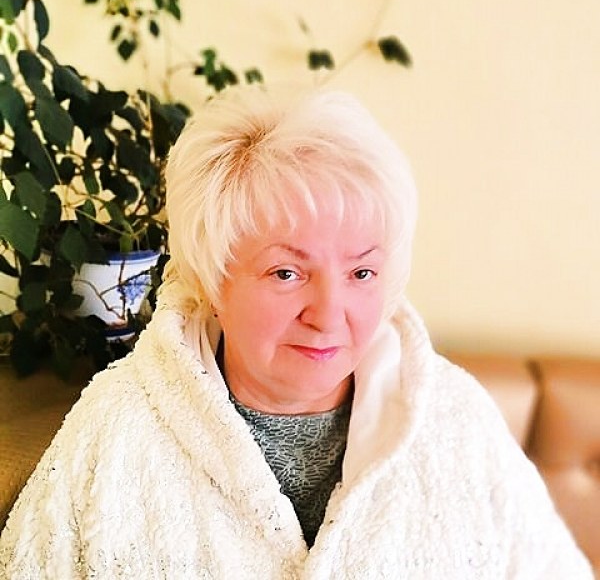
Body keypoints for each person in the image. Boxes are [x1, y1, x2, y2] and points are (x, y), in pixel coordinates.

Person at [0, 86, 593, 579]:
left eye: (361, 272)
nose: (329, 314)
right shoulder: (116, 428)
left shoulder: (455, 418)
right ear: (213, 278)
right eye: (286, 273)